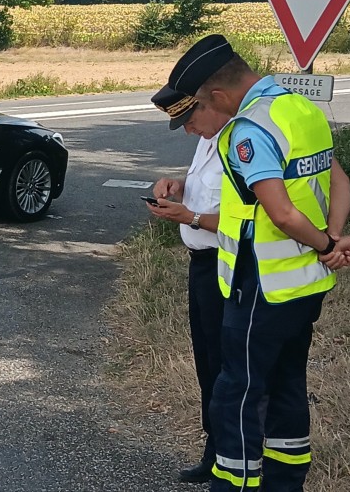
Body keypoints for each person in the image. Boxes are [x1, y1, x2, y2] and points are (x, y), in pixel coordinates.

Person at [167, 34, 350, 491]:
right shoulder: (302, 110)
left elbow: (282, 213)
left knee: (237, 392)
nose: (195, 123)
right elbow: (339, 181)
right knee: (288, 384)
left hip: (261, 285)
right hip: (304, 284)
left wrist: (324, 244)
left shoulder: (249, 129)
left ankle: (233, 484)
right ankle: (284, 482)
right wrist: (333, 238)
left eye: (198, 108)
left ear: (218, 95)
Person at [148, 85, 229, 483]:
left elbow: (248, 219)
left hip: (225, 265)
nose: (188, 130)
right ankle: (214, 449)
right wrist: (178, 186)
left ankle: (230, 454)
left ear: (210, 104)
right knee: (206, 360)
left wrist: (190, 217)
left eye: (190, 120)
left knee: (223, 361)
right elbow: (208, 194)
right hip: (201, 264)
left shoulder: (237, 145)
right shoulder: (207, 138)